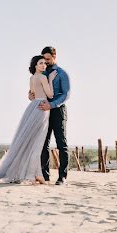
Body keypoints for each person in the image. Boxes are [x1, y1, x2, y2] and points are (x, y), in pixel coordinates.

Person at [0, 55, 51, 184]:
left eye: (44, 63)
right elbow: (50, 94)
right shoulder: (42, 77)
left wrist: (33, 95)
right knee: (37, 143)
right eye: (41, 63)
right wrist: (50, 81)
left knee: (30, 142)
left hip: (32, 107)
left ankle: (36, 173)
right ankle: (31, 174)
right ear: (35, 65)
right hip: (42, 108)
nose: (43, 65)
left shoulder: (32, 78)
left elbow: (31, 95)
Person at [37, 46, 71, 185]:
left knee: (61, 144)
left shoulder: (62, 73)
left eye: (48, 59)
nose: (46, 62)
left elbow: (66, 94)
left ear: (54, 57)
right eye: (44, 59)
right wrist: (31, 94)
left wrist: (52, 105)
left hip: (58, 110)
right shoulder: (41, 73)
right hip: (43, 112)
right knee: (43, 143)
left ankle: (62, 176)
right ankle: (45, 176)